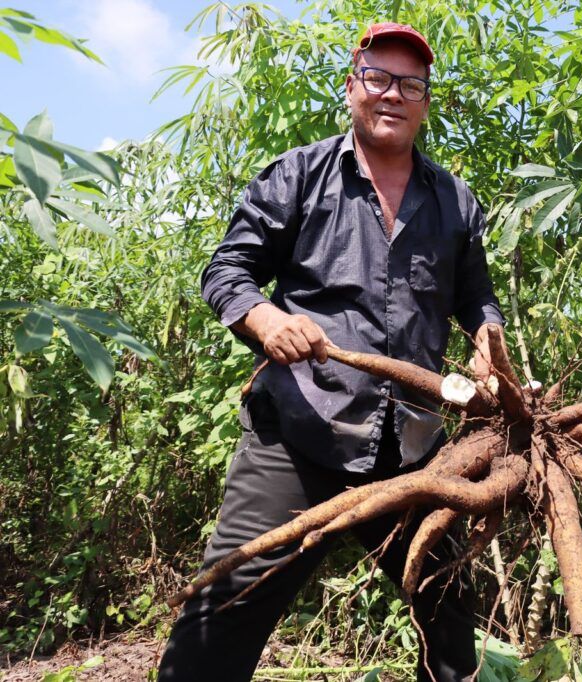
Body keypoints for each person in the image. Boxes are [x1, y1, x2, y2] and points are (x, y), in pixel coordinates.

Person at [158, 22, 505, 682]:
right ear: (351, 89)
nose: (392, 94)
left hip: (412, 447)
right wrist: (264, 318)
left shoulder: (455, 202)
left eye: (410, 85)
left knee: (449, 619)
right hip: (299, 432)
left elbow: (476, 298)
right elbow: (227, 270)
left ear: (425, 102)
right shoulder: (298, 175)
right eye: (378, 78)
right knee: (221, 616)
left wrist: (490, 348)